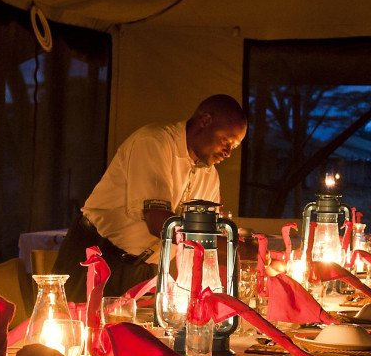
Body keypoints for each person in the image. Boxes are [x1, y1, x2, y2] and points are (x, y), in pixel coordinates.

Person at [53, 94, 248, 303]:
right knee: (78, 332)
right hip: (95, 259)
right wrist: (232, 247)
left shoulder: (209, 176)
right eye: (225, 141)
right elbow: (159, 223)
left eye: (234, 147)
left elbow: (205, 234)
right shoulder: (154, 142)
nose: (228, 153)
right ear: (205, 120)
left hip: (144, 273)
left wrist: (238, 254)